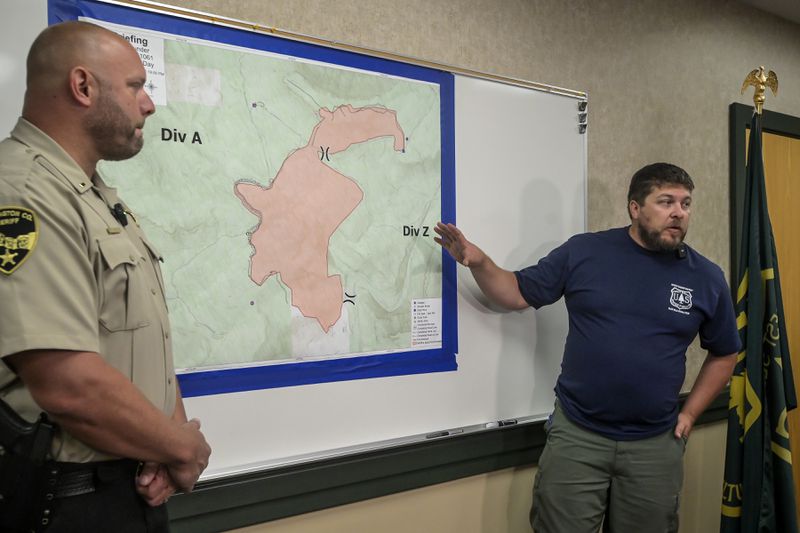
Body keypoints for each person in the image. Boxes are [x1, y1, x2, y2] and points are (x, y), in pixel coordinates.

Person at [434, 163, 740, 533]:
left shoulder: (705, 278)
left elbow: (725, 352)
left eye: (686, 204)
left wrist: (690, 414)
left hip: (654, 443)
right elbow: (515, 293)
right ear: (635, 208)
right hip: (579, 435)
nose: (679, 213)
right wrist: (479, 262)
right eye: (666, 202)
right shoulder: (586, 253)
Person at [0, 21, 211, 532]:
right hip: (67, 505)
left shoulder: (92, 195)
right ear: (83, 86)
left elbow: (139, 337)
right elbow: (67, 382)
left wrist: (165, 442)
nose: (149, 104)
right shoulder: (25, 191)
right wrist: (184, 446)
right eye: (136, 86)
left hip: (128, 488)